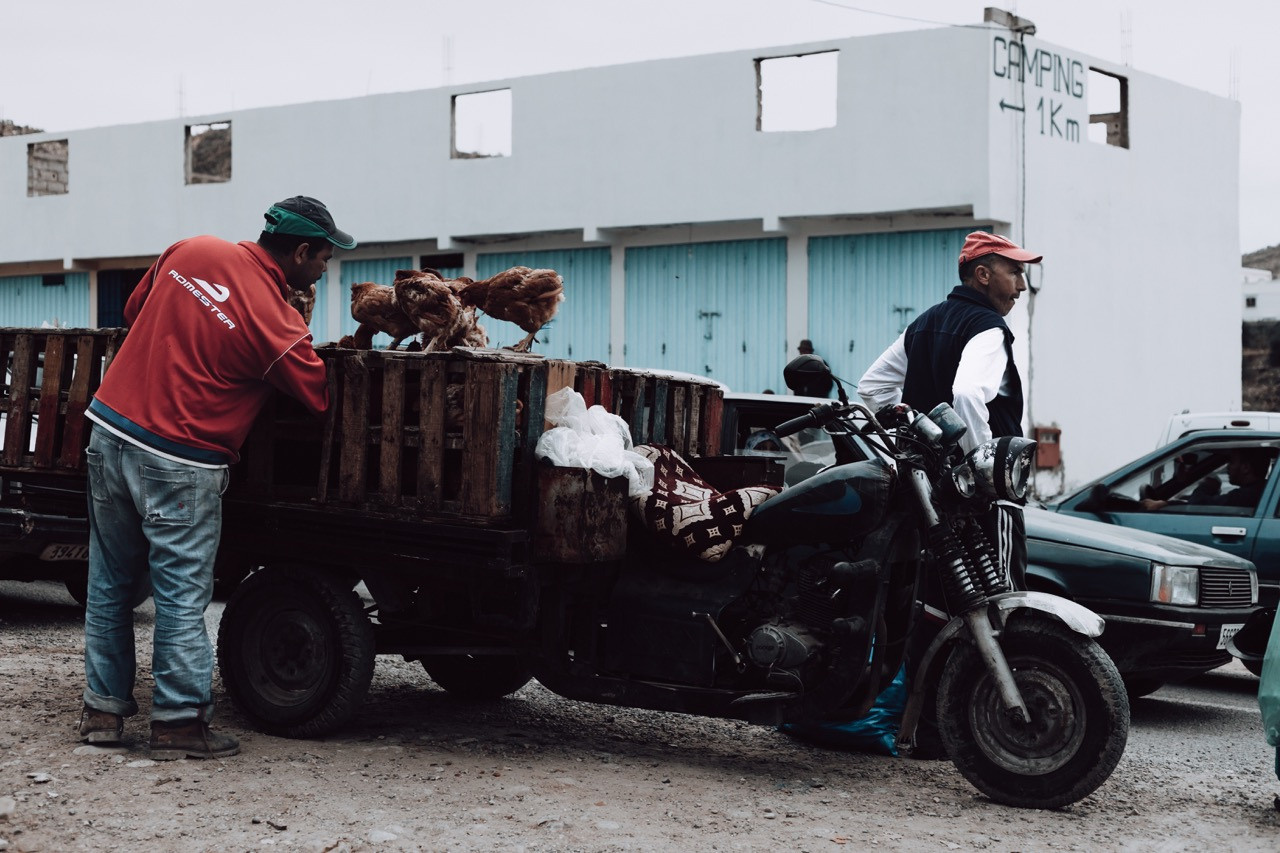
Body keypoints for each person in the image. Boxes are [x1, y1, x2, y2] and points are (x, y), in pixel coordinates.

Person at [77, 196, 355, 759]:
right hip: (181, 457)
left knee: (108, 584)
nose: (326, 268)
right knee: (181, 594)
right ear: (300, 252)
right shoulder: (274, 317)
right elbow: (318, 394)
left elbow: (137, 312)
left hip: (108, 431)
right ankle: (178, 724)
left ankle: (102, 715)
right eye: (324, 258)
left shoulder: (191, 248)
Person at [857, 230, 1041, 759]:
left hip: (928, 495)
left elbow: (872, 389)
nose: (1022, 286)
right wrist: (977, 467)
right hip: (981, 498)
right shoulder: (988, 327)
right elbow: (967, 393)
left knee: (935, 606)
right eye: (1014, 272)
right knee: (997, 603)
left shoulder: (923, 323)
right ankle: (986, 731)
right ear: (983, 274)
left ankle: (932, 731)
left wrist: (906, 440)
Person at [1141, 448, 1272, 511]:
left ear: (1245, 468)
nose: (1227, 467)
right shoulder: (1259, 491)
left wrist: (1207, 485)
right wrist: (1166, 504)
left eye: (1231, 462)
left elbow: (1196, 506)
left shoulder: (1244, 496)